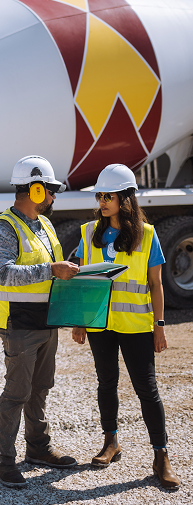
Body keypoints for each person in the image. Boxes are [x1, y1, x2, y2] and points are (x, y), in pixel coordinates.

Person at [71, 164, 180, 489]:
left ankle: (161, 456)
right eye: (100, 195)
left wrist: (159, 326)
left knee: (147, 390)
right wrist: (79, 320)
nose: (102, 201)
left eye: (109, 195)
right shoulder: (88, 232)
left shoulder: (146, 234)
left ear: (125, 199)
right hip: (100, 325)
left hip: (136, 326)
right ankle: (111, 443)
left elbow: (156, 284)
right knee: (106, 383)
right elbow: (79, 277)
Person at [0, 155, 79, 488]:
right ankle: (4, 460)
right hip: (20, 325)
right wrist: (52, 270)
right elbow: (4, 274)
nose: (54, 198)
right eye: (51, 191)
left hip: (46, 322)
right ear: (36, 188)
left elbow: (53, 271)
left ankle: (38, 450)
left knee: (40, 389)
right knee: (17, 393)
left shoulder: (44, 225)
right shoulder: (3, 227)